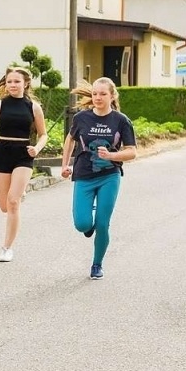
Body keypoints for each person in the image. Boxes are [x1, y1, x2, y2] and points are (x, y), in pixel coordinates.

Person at [60, 78, 136, 280]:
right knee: (82, 224)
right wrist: (65, 165)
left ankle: (97, 264)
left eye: (103, 94)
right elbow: (70, 140)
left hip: (109, 176)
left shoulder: (121, 120)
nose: (98, 98)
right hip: (84, 175)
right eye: (94, 94)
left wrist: (112, 156)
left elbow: (132, 152)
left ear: (112, 96)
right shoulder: (81, 118)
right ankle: (89, 224)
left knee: (103, 224)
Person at [0, 67, 47, 262]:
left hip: (23, 154)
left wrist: (37, 148)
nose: (12, 85)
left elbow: (43, 134)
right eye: (9, 81)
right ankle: (19, 192)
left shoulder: (33, 107)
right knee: (3, 206)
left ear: (25, 83)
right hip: (2, 152)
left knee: (13, 202)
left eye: (16, 81)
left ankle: (7, 248)